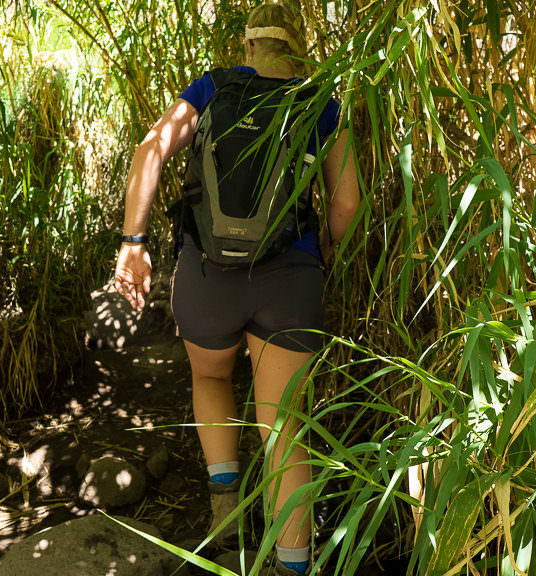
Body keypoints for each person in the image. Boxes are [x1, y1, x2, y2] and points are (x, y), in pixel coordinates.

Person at [112, 2, 360, 574]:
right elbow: (347, 201)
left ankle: (225, 514)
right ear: (299, 50)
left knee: (210, 375)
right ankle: (293, 563)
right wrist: (325, 248)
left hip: (207, 277)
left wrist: (134, 243)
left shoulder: (211, 89)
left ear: (248, 47)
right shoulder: (319, 102)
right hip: (290, 279)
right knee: (284, 426)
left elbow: (149, 151)